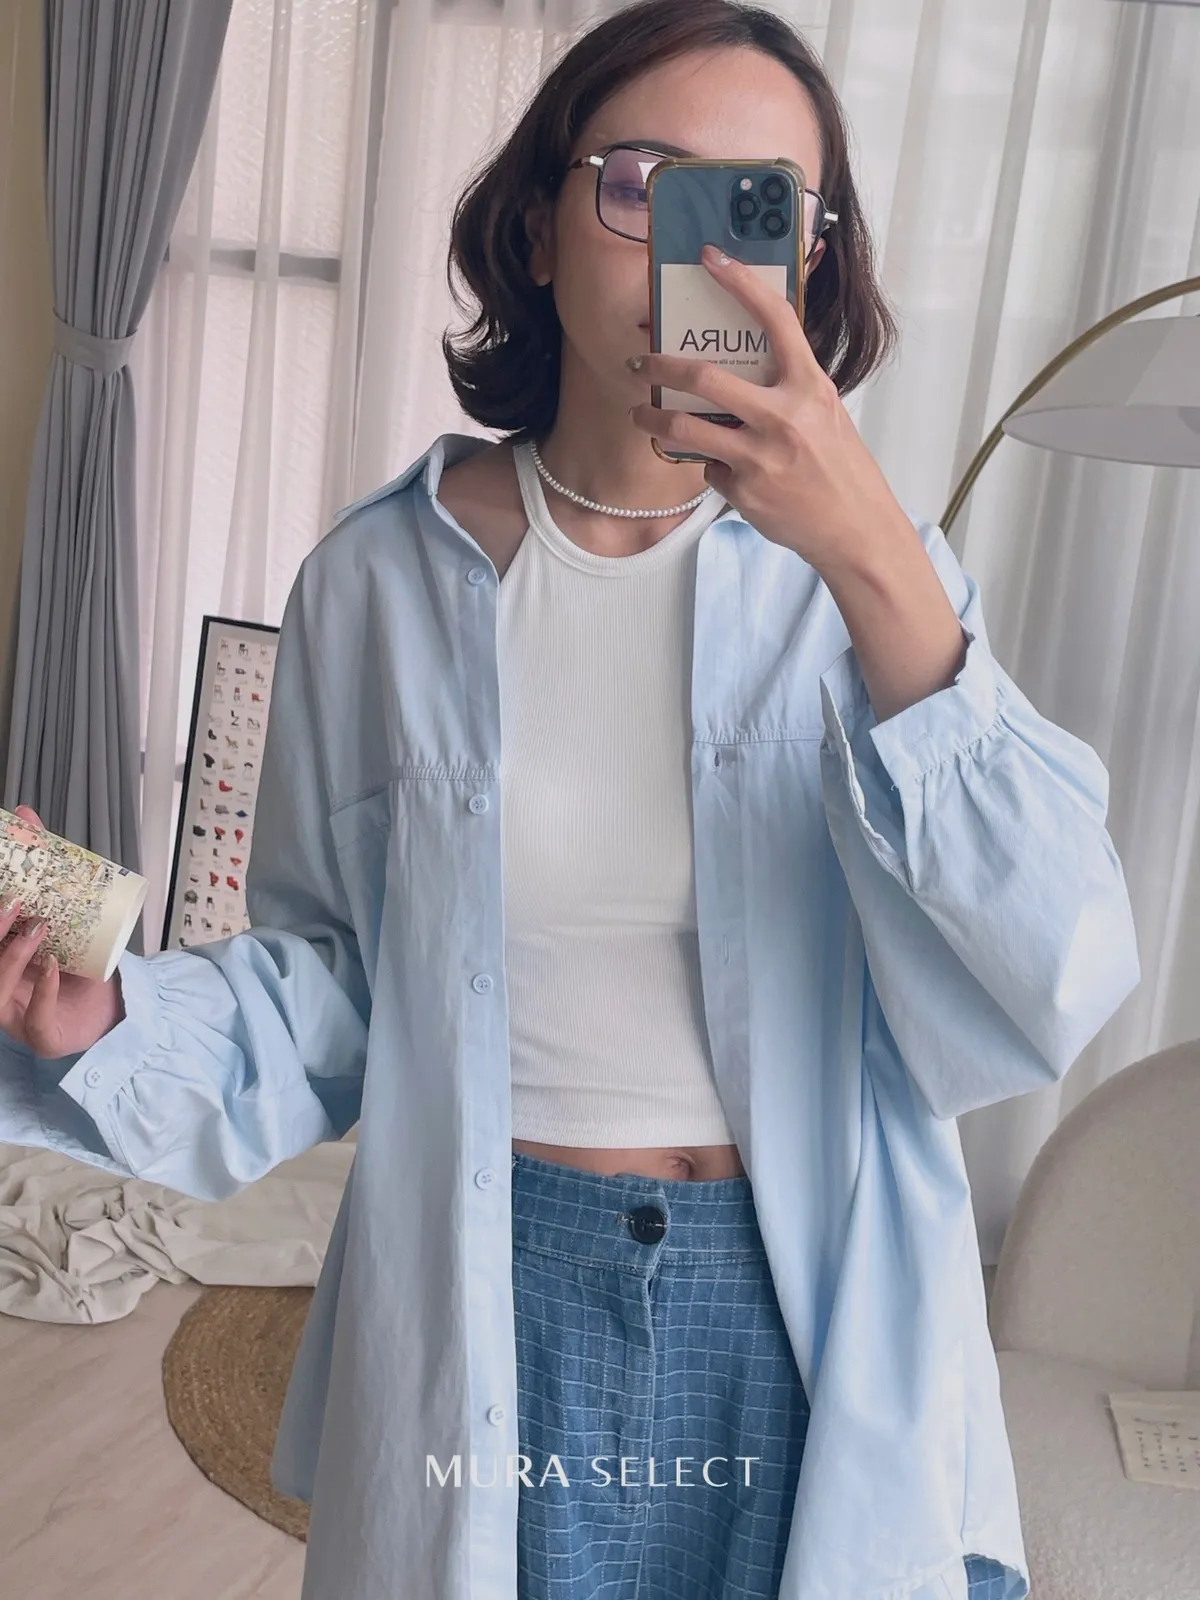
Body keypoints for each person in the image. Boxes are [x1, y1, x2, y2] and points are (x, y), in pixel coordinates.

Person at [0, 2, 1140, 1598]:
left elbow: (1058, 972)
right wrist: (110, 1015)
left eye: (758, 206)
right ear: (537, 229)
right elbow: (339, 984)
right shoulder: (379, 582)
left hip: (799, 1308)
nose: (700, 251)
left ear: (811, 261)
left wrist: (868, 549)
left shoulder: (879, 589)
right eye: (646, 184)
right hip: (491, 1286)